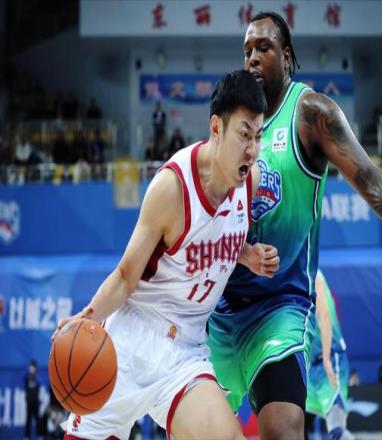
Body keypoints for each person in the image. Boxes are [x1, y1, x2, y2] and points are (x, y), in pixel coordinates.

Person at [207, 11, 382, 440]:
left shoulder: (311, 114)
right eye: (247, 49)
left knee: (284, 431)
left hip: (279, 308)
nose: (252, 57)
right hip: (220, 308)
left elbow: (374, 183)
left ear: (286, 57)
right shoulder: (233, 121)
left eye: (263, 48)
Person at [55, 70, 278, 440]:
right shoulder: (172, 187)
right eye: (244, 134)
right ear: (216, 128)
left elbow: (212, 238)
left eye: (258, 135)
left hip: (185, 354)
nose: (252, 149)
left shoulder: (248, 182)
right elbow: (125, 278)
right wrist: (86, 318)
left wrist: (246, 254)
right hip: (131, 342)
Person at [306, 270, 354, 440]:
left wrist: (327, 360)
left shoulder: (314, 274)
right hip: (309, 368)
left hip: (330, 360)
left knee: (337, 430)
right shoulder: (290, 274)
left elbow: (324, 316)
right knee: (293, 427)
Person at [24, 360, 41, 440]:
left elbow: (38, 387)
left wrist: (34, 376)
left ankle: (39, 435)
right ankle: (27, 436)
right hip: (29, 402)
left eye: (33, 367)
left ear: (36, 368)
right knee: (28, 419)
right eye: (31, 367)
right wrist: (30, 376)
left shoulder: (37, 378)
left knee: (37, 419)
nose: (32, 368)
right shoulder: (27, 378)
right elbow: (26, 386)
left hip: (36, 402)